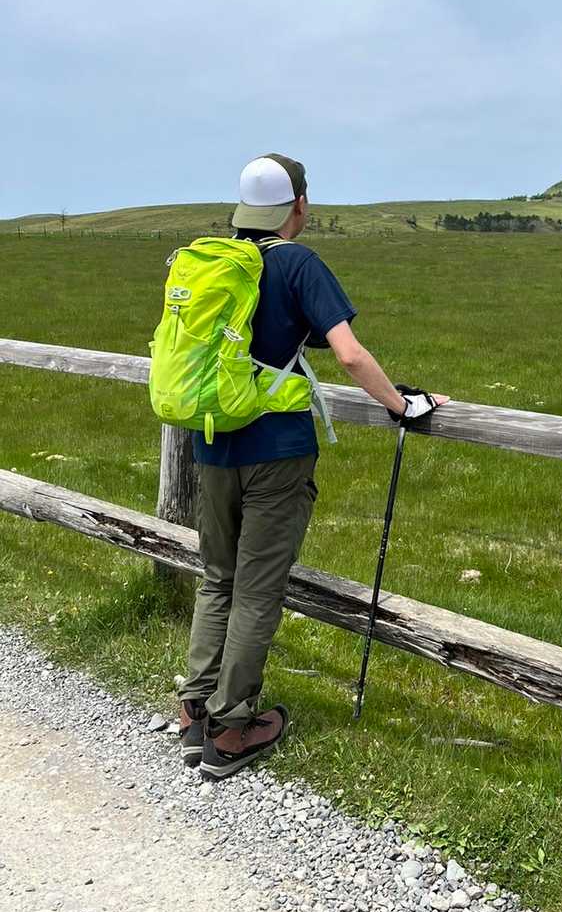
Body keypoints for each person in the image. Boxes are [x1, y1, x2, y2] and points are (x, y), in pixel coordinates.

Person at [178, 153, 448, 779]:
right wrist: (402, 405)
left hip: (213, 442)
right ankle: (232, 728)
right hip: (275, 452)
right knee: (256, 588)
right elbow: (348, 353)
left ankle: (195, 711)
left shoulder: (212, 262)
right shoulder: (297, 263)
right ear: (298, 205)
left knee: (217, 577)